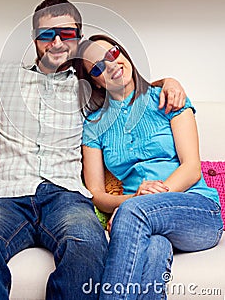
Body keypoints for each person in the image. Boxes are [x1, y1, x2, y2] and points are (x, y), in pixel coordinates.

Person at [0, 0, 186, 300]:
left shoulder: (87, 86)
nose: (56, 42)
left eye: (66, 34)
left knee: (88, 243)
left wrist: (168, 81)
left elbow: (126, 83)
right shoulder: (5, 76)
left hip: (64, 196)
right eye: (46, 34)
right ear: (35, 40)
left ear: (77, 40)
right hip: (4, 195)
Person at [75, 34, 223, 300]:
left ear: (124, 53)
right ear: (94, 82)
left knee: (131, 214)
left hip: (197, 210)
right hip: (144, 219)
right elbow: (95, 193)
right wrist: (134, 199)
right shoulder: (95, 125)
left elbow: (192, 169)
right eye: (97, 67)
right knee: (155, 249)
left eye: (113, 53)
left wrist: (144, 202)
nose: (111, 65)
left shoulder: (168, 98)